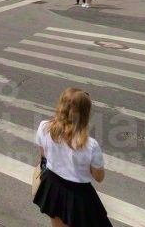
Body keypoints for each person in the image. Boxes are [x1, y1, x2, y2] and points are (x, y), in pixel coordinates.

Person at [33, 88, 112, 227]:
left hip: (52, 184)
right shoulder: (90, 145)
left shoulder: (44, 127)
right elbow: (99, 177)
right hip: (78, 194)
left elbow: (44, 155)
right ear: (85, 114)